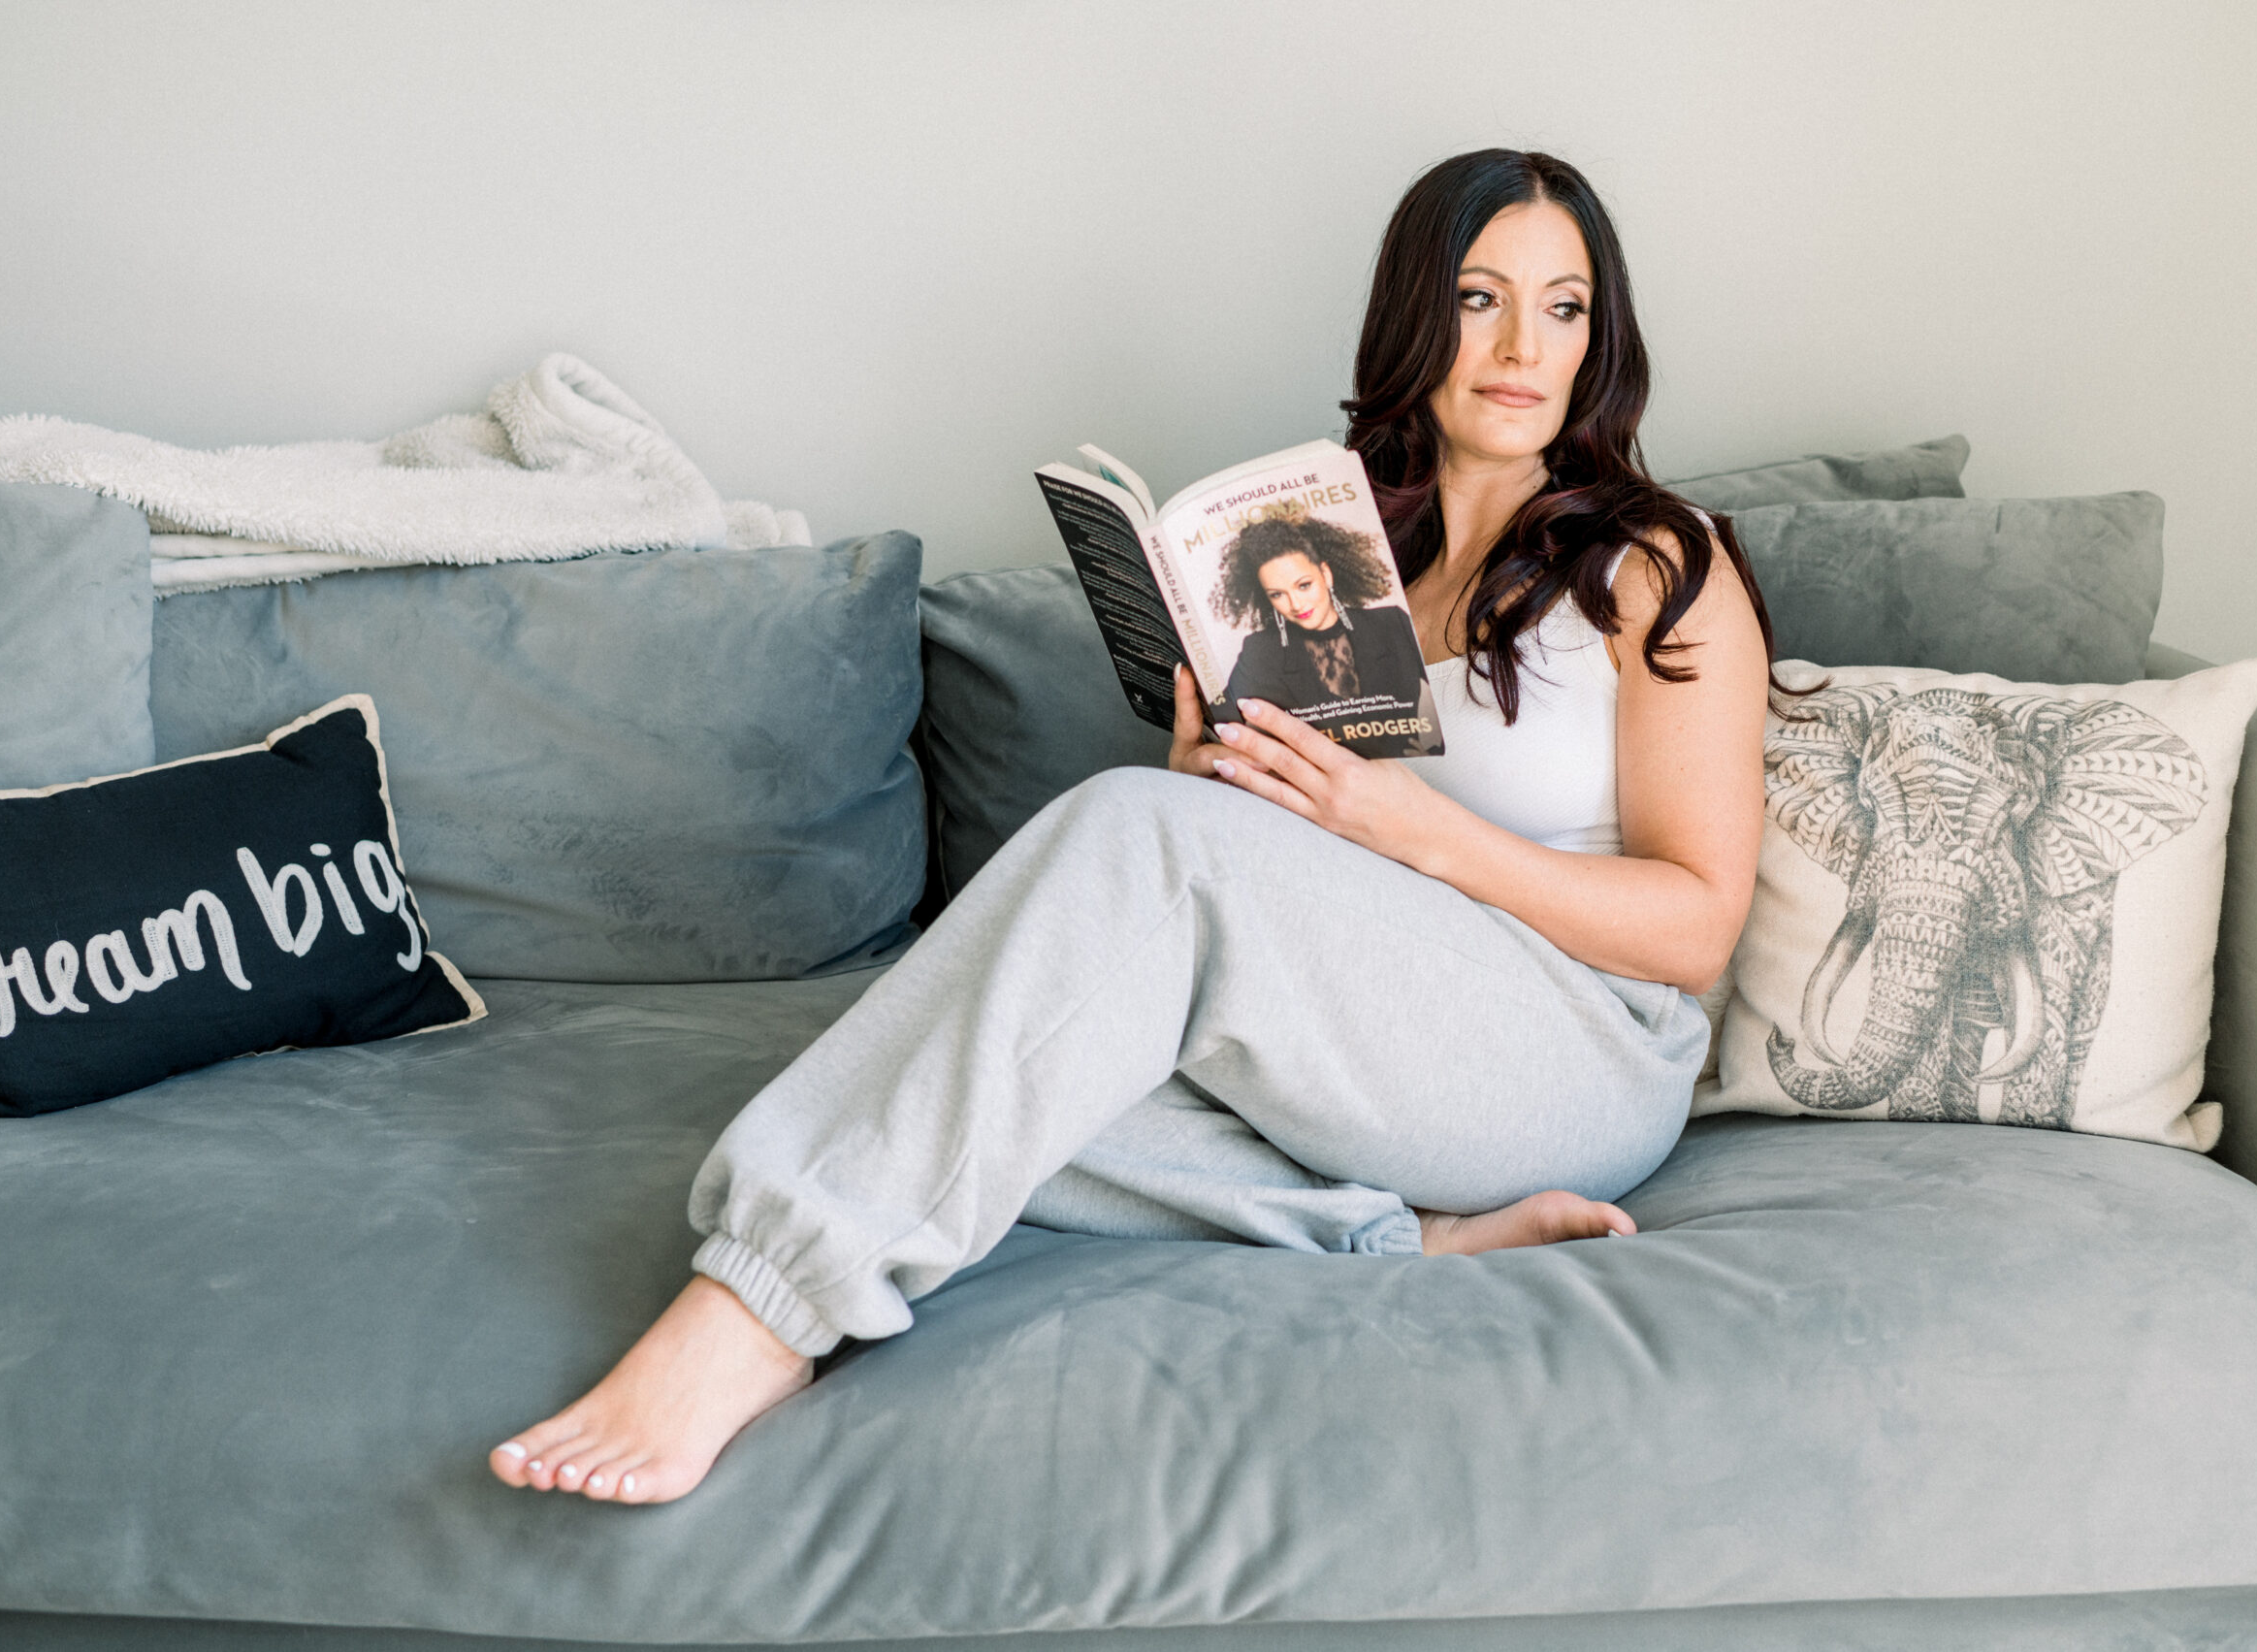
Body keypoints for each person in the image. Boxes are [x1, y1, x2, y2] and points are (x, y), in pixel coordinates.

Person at [489, 148, 1783, 1506]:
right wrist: (1233, 784)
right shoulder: (1344, 563)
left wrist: (1406, 827)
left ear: (1601, 337)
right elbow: (1325, 901)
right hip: (1391, 1042)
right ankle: (1391, 1229)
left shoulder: (1653, 563)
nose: (1524, 345)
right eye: (1479, 298)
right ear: (1417, 314)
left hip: (1581, 1045)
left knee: (1098, 879)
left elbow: (1696, 925)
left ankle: (758, 1307)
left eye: (1564, 306)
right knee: (995, 1044)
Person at [1216, 511, 1426, 722]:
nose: (1296, 605)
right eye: (1277, 594)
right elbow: (1222, 725)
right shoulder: (1261, 650)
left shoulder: (1391, 623)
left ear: (1325, 574)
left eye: (1304, 585)